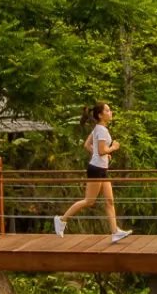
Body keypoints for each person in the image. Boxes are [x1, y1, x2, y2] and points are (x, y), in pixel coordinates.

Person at [55, 101, 132, 242]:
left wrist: (103, 153)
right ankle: (61, 219)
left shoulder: (98, 128)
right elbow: (101, 150)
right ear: (100, 115)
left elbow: (88, 145)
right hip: (96, 169)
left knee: (109, 201)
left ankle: (115, 232)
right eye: (108, 110)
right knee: (89, 201)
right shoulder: (101, 130)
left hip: (102, 168)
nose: (111, 112)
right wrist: (113, 148)